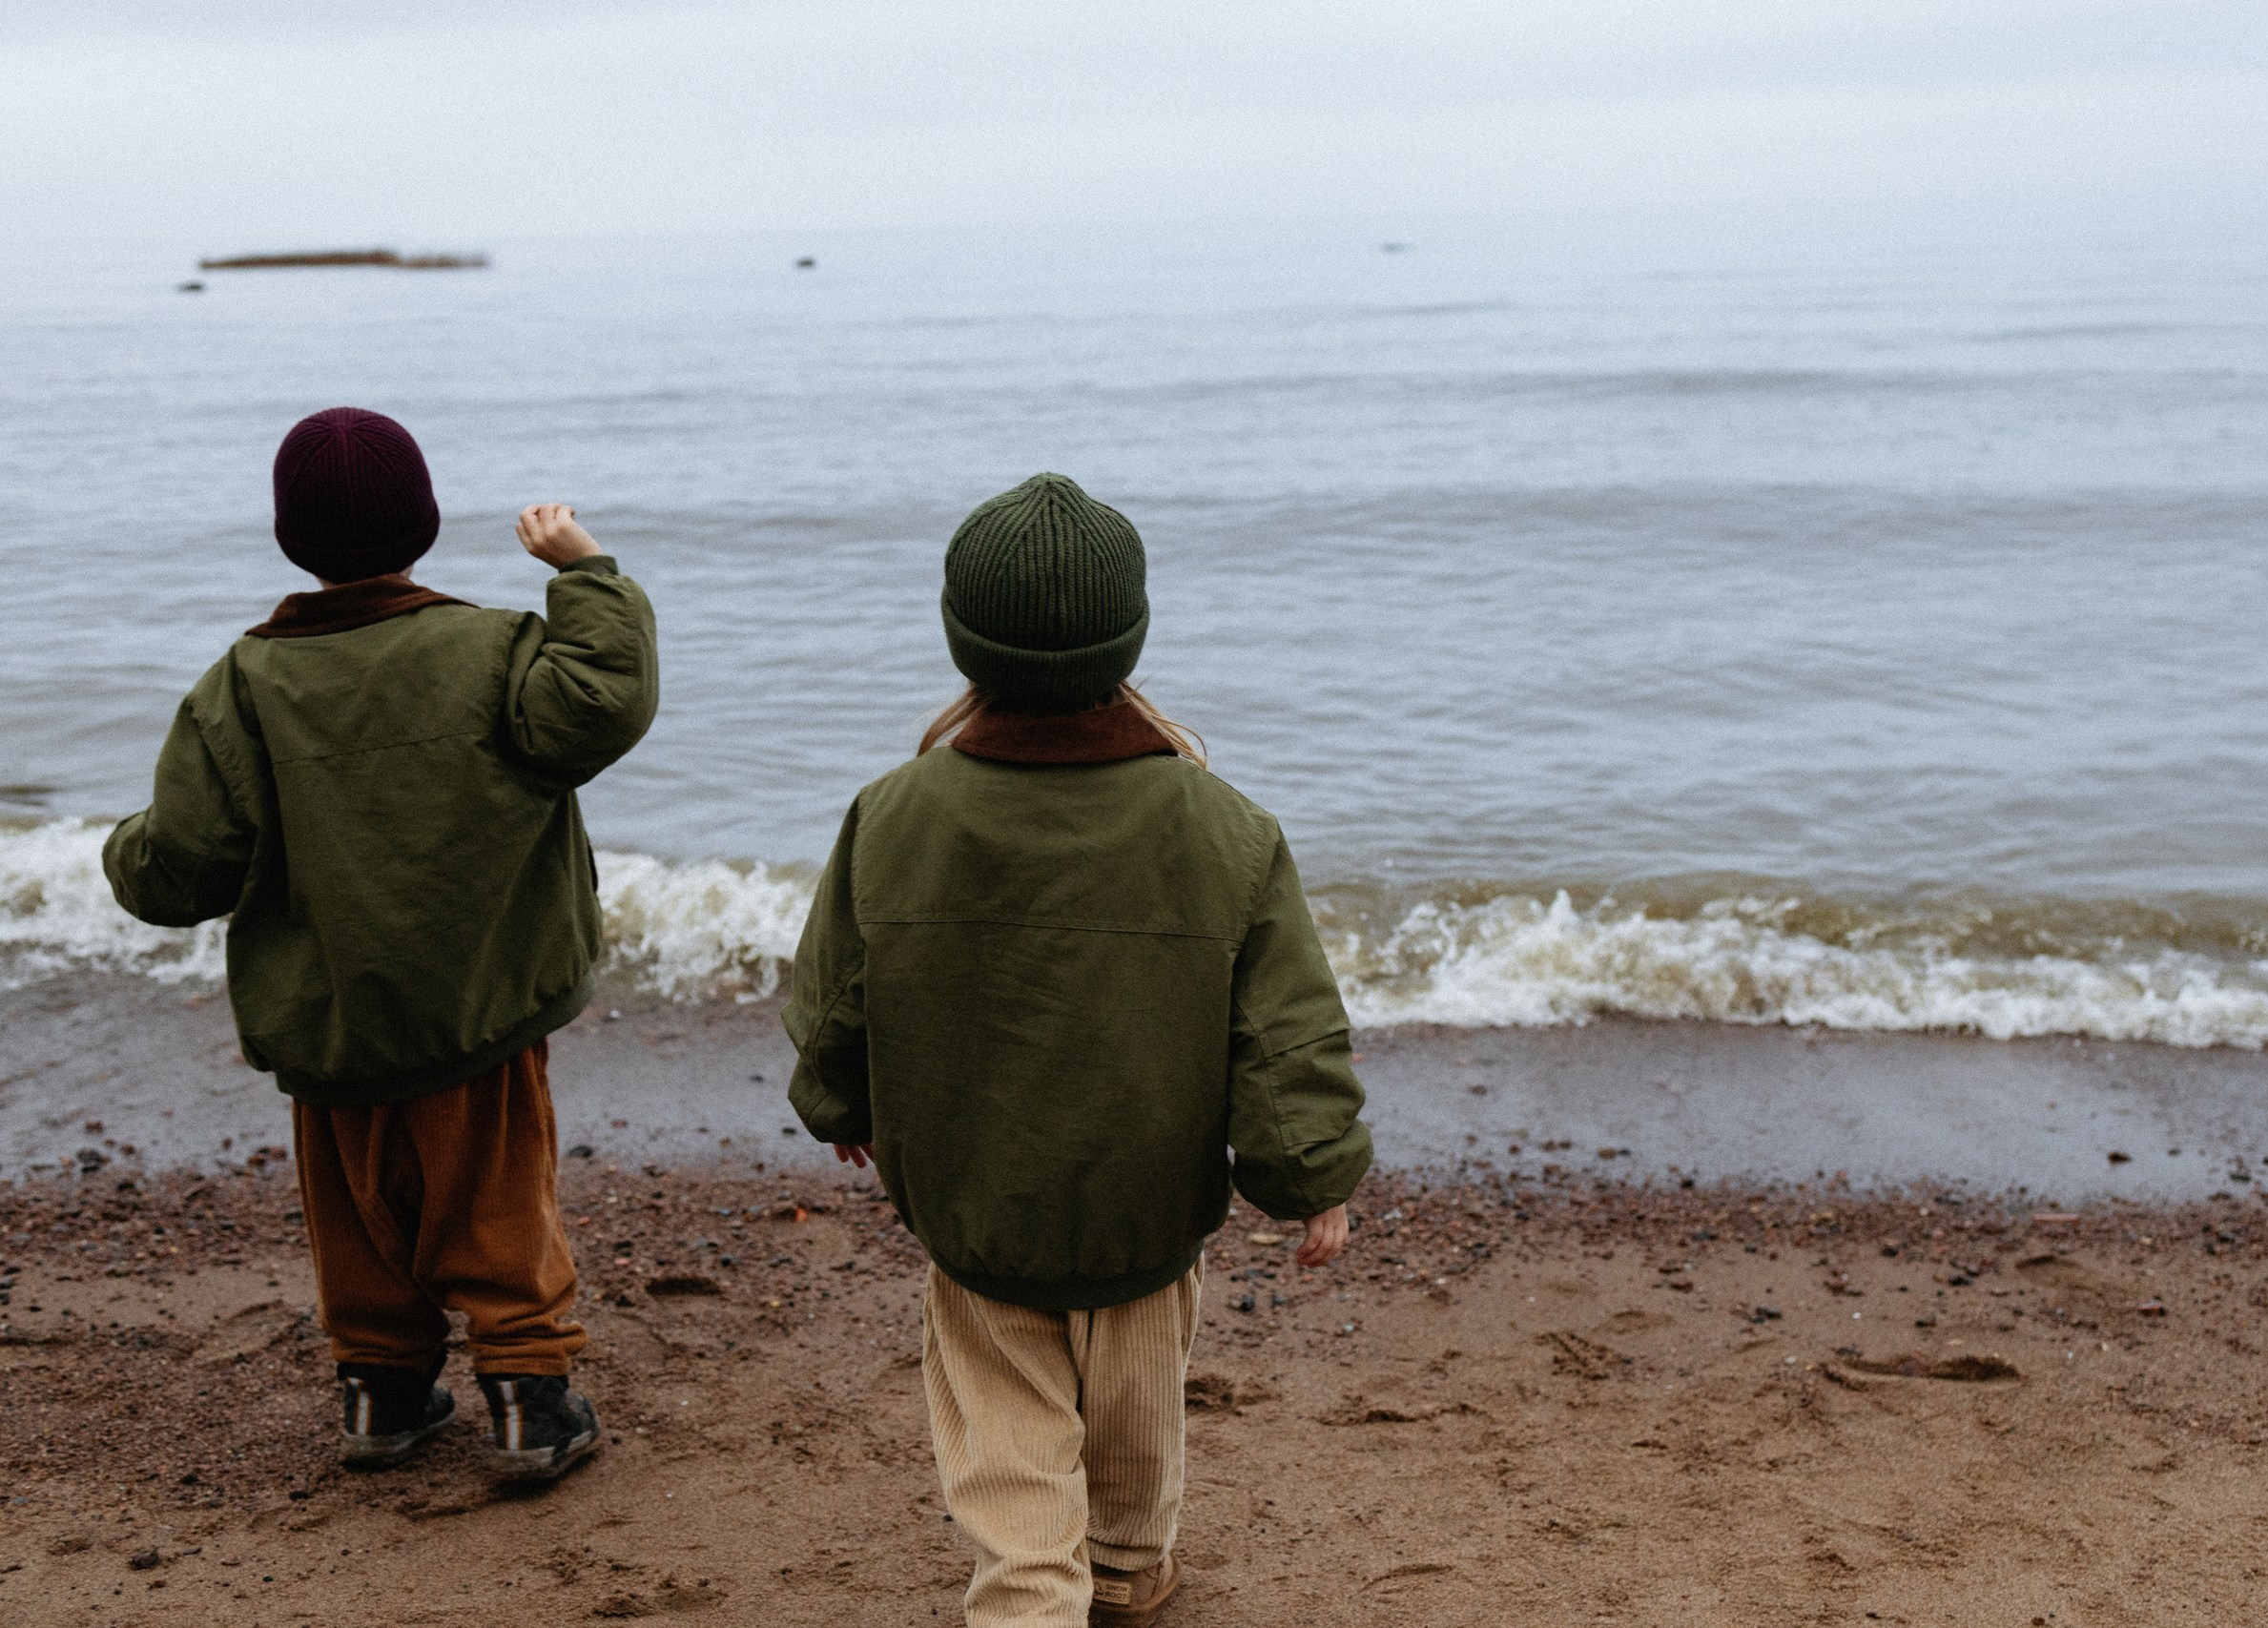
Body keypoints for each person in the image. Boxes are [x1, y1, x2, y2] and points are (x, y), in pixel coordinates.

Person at [783, 472, 1371, 1627]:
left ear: (964, 640)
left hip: (973, 1200)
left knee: (1006, 1442)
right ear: (1130, 636)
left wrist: (837, 1103)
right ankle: (1124, 1570)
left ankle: (1032, 1592)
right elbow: (1283, 1031)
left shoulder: (894, 812)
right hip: (1149, 1206)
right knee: (1138, 1415)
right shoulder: (1224, 826)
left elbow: (836, 994)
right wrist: (1310, 1177)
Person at [103, 406, 656, 1480]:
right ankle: (529, 1400)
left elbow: (182, 866)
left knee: (357, 1216)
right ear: (427, 524)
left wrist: (123, 851)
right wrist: (585, 572)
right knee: (498, 1205)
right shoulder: (493, 648)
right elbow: (604, 701)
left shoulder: (243, 685)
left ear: (288, 539)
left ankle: (381, 1394)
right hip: (479, 1006)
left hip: (331, 1023)